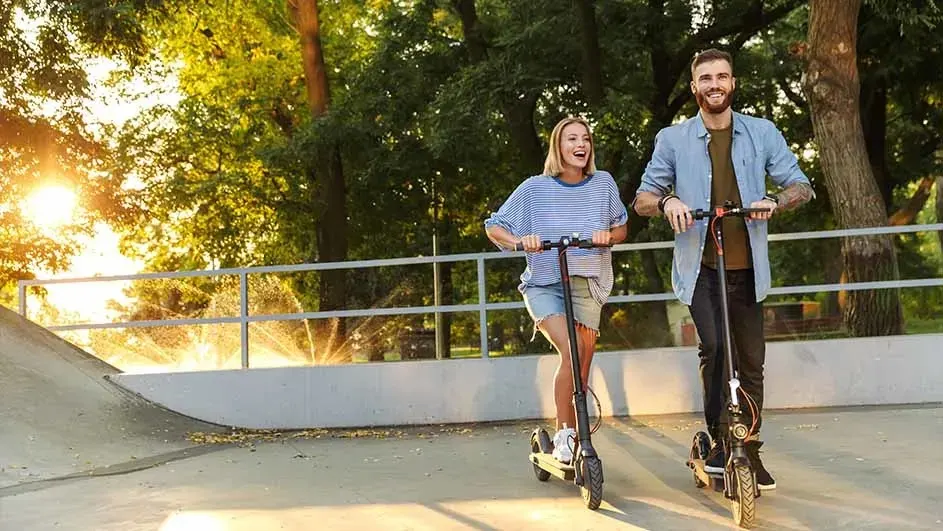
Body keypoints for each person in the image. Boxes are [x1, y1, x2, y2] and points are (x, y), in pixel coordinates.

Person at [632, 48, 813, 490]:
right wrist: (669, 201)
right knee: (714, 348)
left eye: (723, 77)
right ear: (694, 87)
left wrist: (775, 200)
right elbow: (642, 199)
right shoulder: (672, 140)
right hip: (700, 267)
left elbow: (801, 186)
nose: (715, 84)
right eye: (706, 78)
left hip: (748, 267)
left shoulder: (762, 132)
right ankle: (718, 441)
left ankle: (748, 448)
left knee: (751, 361)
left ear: (733, 83)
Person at [485, 116, 628, 463]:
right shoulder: (535, 188)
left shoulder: (603, 184)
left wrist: (607, 236)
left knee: (581, 363)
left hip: (587, 284)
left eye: (585, 139)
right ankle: (565, 434)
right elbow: (494, 227)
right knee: (572, 349)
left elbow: (621, 225)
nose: (580, 145)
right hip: (545, 284)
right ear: (558, 147)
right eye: (571, 139)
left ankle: (577, 434)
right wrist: (521, 241)